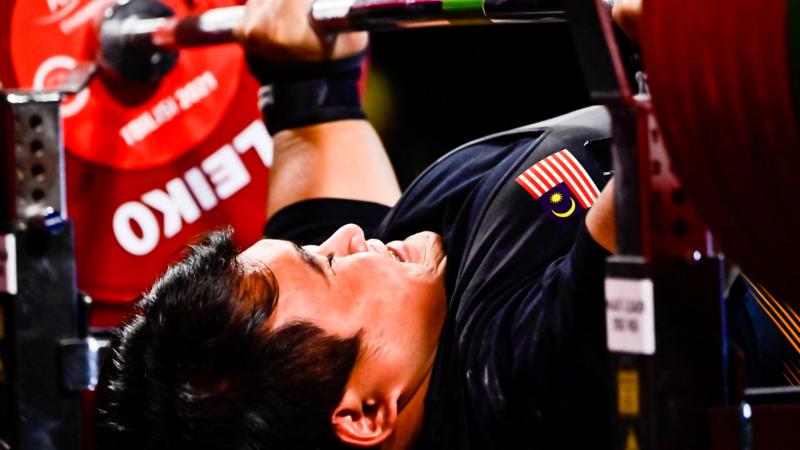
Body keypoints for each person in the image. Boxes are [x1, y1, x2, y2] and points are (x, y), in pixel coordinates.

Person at [95, 0, 622, 449]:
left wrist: (304, 67)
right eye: (326, 264)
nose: (346, 236)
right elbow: (670, 157)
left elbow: (315, 114)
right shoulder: (524, 377)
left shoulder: (396, 311)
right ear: (365, 414)